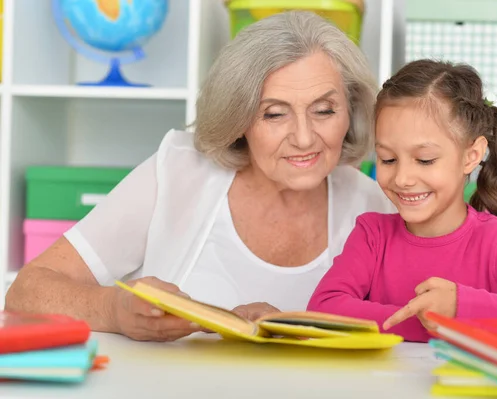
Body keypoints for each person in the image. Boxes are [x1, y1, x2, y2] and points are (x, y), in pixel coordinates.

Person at [5, 11, 395, 342]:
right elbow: (27, 291)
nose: (305, 137)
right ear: (238, 119)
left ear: (352, 111)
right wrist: (115, 310)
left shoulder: (373, 203)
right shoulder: (177, 172)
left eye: (324, 110)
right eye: (274, 114)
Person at [306, 59, 497, 342]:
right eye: (388, 158)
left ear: (471, 156)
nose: (402, 178)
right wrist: (436, 324)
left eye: (425, 160)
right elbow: (324, 308)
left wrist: (463, 307)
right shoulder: (373, 235)